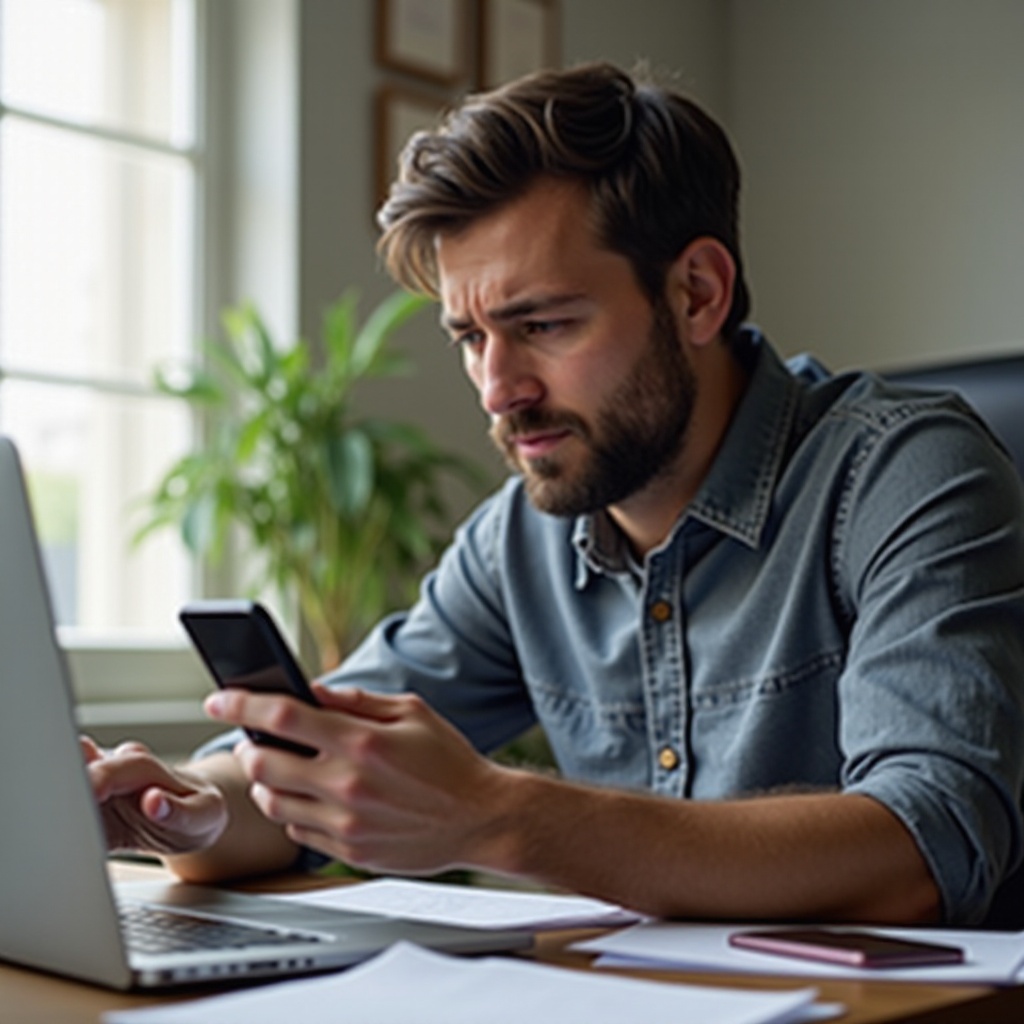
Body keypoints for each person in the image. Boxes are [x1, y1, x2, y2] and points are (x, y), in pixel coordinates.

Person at [86, 61, 1024, 926]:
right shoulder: (520, 541)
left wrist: (500, 816)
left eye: (543, 323)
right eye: (469, 337)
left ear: (698, 292)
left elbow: (924, 848)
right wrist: (184, 810)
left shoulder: (907, 478)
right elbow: (326, 770)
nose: (498, 388)